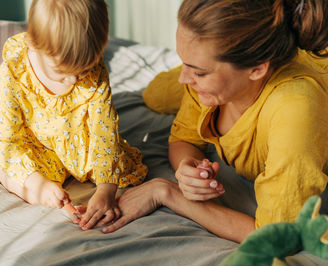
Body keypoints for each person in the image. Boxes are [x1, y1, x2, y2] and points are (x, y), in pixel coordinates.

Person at [102, 0, 328, 242]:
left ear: (256, 69)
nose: (184, 79)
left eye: (199, 72)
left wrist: (167, 192)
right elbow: (183, 138)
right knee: (155, 95)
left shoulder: (296, 109)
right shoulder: (204, 86)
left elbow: (279, 237)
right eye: (184, 62)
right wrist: (191, 169)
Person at [0, 0, 147, 231]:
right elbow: (7, 137)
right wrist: (38, 183)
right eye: (62, 73)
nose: (73, 81)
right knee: (27, 182)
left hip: (79, 143)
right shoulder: (15, 69)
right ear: (33, 44)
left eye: (84, 71)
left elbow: (105, 135)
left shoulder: (94, 71)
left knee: (122, 169)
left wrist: (105, 190)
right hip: (37, 146)